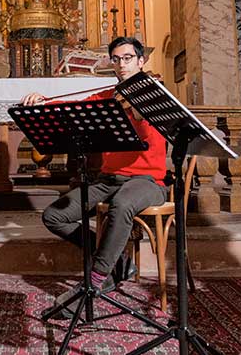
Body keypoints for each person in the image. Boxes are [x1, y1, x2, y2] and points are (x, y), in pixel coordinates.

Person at [20, 36, 169, 317]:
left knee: (122, 204)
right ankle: (117, 262)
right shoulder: (107, 97)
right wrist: (40, 103)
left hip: (148, 181)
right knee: (54, 215)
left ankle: (96, 281)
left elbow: (155, 132)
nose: (121, 64)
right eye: (116, 59)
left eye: (127, 58)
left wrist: (140, 112)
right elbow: (72, 109)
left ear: (141, 61)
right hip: (108, 179)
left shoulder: (155, 96)